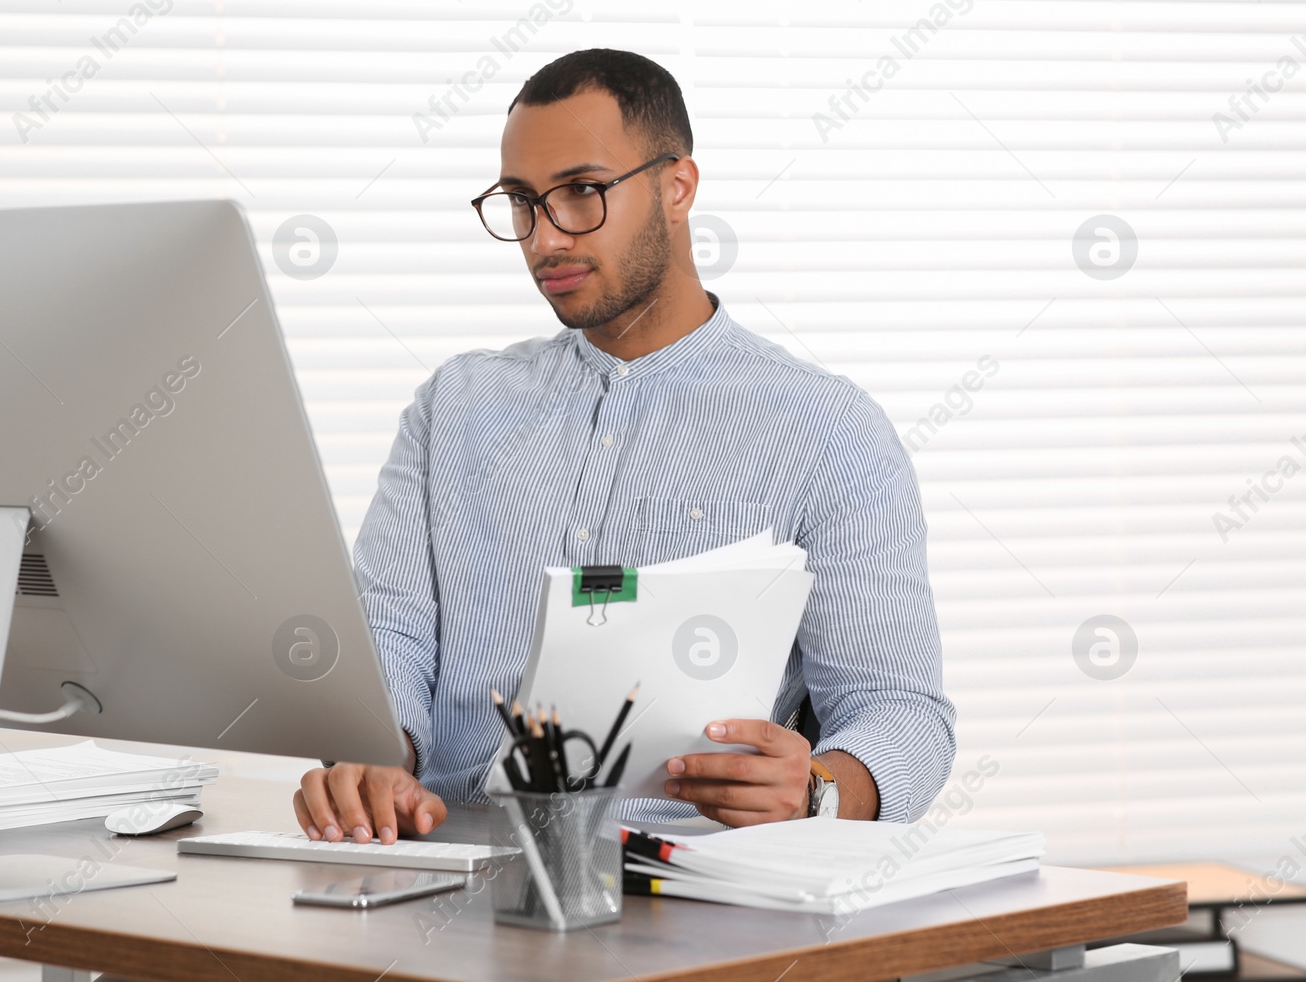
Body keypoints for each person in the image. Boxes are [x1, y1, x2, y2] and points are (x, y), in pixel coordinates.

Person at [293, 48, 955, 845]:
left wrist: (815, 791)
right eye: (522, 203)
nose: (545, 239)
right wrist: (373, 764)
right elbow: (389, 635)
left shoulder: (827, 431)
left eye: (582, 192)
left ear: (677, 188)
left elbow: (900, 710)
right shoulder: (453, 408)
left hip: (679, 887)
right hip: (440, 861)